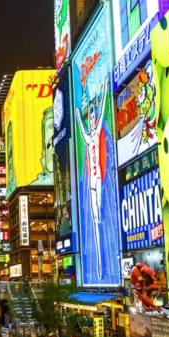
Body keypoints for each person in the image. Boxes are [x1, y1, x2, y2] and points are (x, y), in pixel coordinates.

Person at [75, 77, 107, 279]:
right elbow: (80, 127)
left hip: (97, 178)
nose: (93, 119)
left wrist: (104, 88)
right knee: (95, 216)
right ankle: (98, 263)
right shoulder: (88, 136)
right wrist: (78, 116)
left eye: (94, 117)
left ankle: (101, 261)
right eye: (91, 117)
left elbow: (103, 108)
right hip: (91, 178)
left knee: (99, 215)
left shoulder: (95, 135)